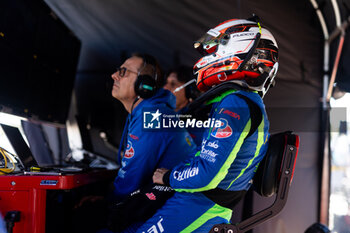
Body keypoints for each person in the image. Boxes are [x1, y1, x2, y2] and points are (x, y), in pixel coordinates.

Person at [135, 17, 279, 232]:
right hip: (200, 201)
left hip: (200, 204)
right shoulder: (239, 99)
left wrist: (167, 177)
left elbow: (207, 175)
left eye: (213, 50)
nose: (209, 57)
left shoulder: (237, 102)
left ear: (236, 47)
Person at [110, 53, 195, 202]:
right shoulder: (147, 112)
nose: (114, 75)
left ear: (143, 85)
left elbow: (131, 180)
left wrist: (107, 203)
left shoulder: (151, 116)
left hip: (176, 204)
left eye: (123, 72)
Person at [163, 66, 204, 145]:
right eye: (166, 83)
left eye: (173, 84)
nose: (165, 88)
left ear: (190, 92)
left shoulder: (198, 126)